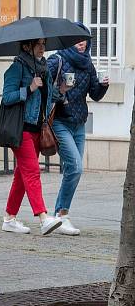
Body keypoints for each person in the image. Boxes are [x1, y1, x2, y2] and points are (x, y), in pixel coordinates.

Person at [46, 24, 109, 236]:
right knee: (75, 167)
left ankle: (58, 215)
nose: (81, 43)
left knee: (73, 170)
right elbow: (45, 89)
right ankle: (61, 215)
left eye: (84, 40)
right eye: (77, 39)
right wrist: (60, 90)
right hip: (60, 122)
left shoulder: (87, 64)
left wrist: (103, 85)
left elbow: (95, 94)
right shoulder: (57, 60)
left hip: (79, 124)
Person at [0, 38, 64, 236]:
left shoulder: (44, 69)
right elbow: (6, 97)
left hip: (38, 129)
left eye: (44, 44)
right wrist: (29, 88)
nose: (43, 48)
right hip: (22, 129)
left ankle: (9, 218)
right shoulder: (17, 68)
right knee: (32, 171)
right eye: (39, 44)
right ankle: (43, 218)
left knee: (22, 175)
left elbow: (49, 96)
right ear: (27, 46)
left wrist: (61, 91)